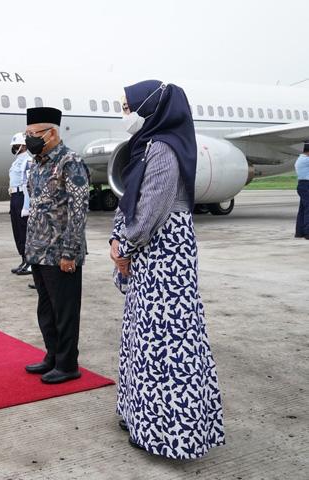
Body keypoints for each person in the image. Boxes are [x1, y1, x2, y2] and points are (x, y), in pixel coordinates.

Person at [110, 80, 225, 459]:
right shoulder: (147, 145)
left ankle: (167, 432)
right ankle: (139, 414)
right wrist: (116, 238)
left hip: (164, 258)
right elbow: (129, 200)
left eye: (128, 107)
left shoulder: (163, 148)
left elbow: (150, 210)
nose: (125, 114)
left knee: (166, 342)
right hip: (149, 255)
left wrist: (125, 245)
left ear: (150, 107)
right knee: (142, 338)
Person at [22, 107, 90, 384]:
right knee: (46, 311)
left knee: (65, 312)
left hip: (62, 253)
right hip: (38, 251)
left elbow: (78, 209)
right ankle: (52, 356)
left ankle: (67, 364)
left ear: (51, 133)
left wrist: (69, 252)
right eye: (26, 134)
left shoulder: (70, 162)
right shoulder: (37, 163)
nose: (28, 139)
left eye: (33, 133)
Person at [8, 132, 32, 276]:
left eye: (17, 145)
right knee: (17, 230)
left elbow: (29, 184)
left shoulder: (28, 161)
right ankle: (23, 259)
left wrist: (27, 205)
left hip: (23, 196)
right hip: (15, 196)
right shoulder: (17, 161)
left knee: (24, 230)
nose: (14, 148)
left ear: (23, 146)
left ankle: (30, 262)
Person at [295, 142, 309, 239]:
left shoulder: (300, 159)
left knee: (303, 209)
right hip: (306, 185)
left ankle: (299, 232)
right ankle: (308, 232)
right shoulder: (306, 160)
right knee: (308, 209)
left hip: (302, 185)